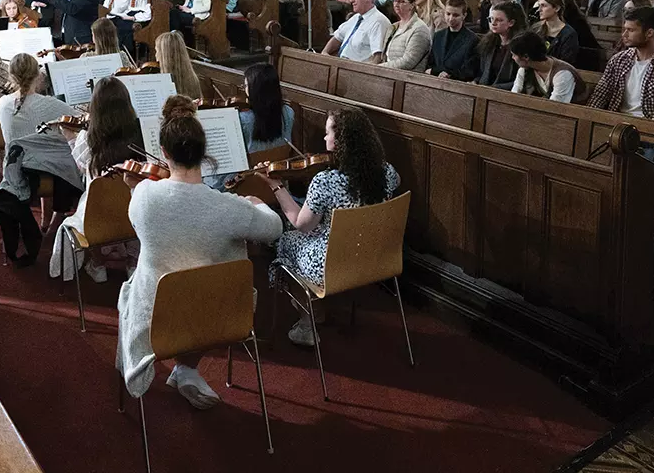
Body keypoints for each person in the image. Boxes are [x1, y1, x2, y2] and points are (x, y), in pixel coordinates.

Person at [117, 98, 282, 403]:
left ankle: (183, 369)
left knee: (140, 283)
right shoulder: (229, 207)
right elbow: (274, 229)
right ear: (205, 154)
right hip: (217, 315)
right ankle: (187, 369)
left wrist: (131, 186)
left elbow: (139, 219)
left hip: (158, 316)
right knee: (213, 276)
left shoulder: (143, 195)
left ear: (164, 153)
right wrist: (257, 204)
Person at [263, 107, 399, 346]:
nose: (325, 138)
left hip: (333, 267)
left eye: (328, 133)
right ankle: (317, 309)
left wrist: (277, 187)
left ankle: (308, 322)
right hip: (376, 258)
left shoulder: (326, 181)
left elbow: (301, 224)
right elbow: (394, 184)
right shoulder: (387, 172)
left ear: (341, 142)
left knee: (285, 239)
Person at [48, 76, 144, 282]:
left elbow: (83, 168)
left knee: (88, 209)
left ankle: (98, 265)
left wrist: (71, 139)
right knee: (127, 204)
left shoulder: (88, 137)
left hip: (98, 215)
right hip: (135, 212)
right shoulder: (140, 133)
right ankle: (133, 264)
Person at [0, 53, 85, 264]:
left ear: (11, 76)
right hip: (44, 168)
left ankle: (46, 219)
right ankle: (58, 218)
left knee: (51, 151)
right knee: (69, 151)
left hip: (16, 167)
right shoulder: (49, 104)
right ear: (38, 75)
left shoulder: (3, 103)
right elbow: (80, 119)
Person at [588, 7, 654, 122]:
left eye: (630, 30)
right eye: (624, 29)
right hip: (614, 123)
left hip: (648, 130)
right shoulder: (619, 60)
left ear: (649, 33)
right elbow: (599, 97)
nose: (624, 35)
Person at [322, 0, 392, 63]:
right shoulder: (356, 18)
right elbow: (338, 37)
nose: (351, 1)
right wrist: (325, 52)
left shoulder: (378, 22)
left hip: (356, 69)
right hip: (341, 64)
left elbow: (378, 57)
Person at [509, 32, 584, 103]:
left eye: (514, 55)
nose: (512, 58)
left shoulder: (563, 74)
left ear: (526, 57)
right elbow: (514, 96)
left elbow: (555, 106)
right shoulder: (525, 69)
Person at [240, 63, 294, 154]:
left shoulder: (243, 119)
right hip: (280, 163)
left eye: (246, 86)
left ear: (255, 89)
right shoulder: (289, 112)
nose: (244, 89)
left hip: (254, 166)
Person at [378, 0, 432, 71]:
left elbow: (409, 61)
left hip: (407, 78)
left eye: (401, 2)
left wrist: (380, 67)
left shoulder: (419, 29)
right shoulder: (393, 27)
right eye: (395, 1)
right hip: (388, 73)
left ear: (412, 4)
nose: (396, 4)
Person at [476, 1, 528, 87]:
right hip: (485, 90)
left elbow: (522, 80)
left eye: (499, 20)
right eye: (491, 19)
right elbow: (482, 72)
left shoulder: (521, 46)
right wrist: (476, 81)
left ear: (511, 23)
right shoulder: (489, 42)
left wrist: (494, 88)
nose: (493, 23)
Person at [426, 0, 478, 80]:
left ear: (464, 16)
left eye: (456, 15)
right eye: (448, 14)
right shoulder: (438, 35)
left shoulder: (472, 39)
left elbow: (469, 70)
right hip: (434, 81)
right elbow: (431, 62)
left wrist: (448, 73)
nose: (450, 18)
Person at [532, 0, 580, 65]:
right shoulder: (536, 28)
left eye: (543, 6)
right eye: (539, 6)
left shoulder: (569, 34)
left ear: (556, 8)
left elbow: (566, 62)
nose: (539, 10)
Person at [156, 30, 202, 99]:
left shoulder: (160, 84)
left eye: (156, 51)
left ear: (164, 56)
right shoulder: (193, 80)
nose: (156, 55)